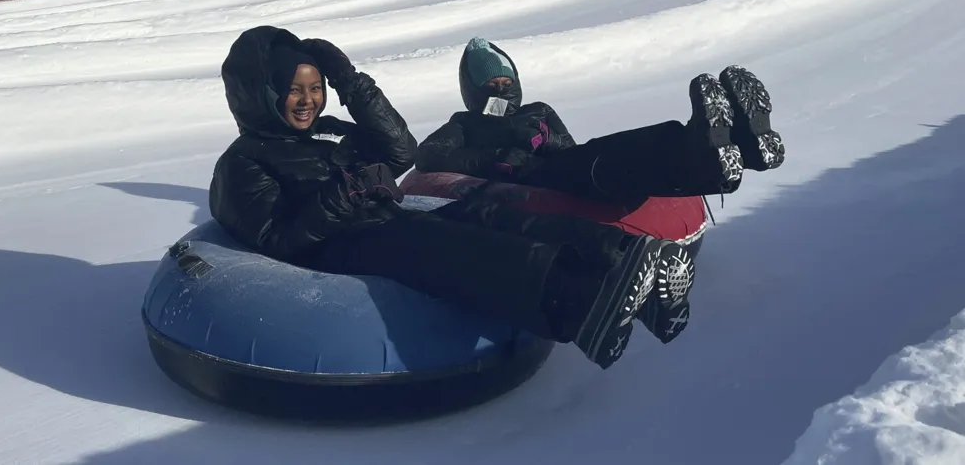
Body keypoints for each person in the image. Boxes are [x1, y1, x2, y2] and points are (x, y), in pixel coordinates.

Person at [208, 26, 697, 372]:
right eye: (294, 89)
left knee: (485, 215)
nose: (308, 100)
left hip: (379, 219)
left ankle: (623, 260)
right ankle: (579, 303)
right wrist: (348, 192)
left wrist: (351, 82)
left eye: (315, 88)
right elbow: (279, 238)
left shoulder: (326, 133)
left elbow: (400, 149)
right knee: (435, 243)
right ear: (262, 93)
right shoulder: (241, 164)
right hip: (342, 245)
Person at [415, 36, 785, 213]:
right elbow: (428, 155)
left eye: (505, 81)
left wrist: (543, 139)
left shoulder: (538, 110)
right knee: (593, 167)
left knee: (602, 153)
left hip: (554, 167)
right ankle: (704, 158)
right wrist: (496, 157)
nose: (500, 88)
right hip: (521, 185)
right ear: (473, 90)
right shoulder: (463, 123)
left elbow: (568, 145)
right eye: (490, 84)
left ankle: (723, 145)